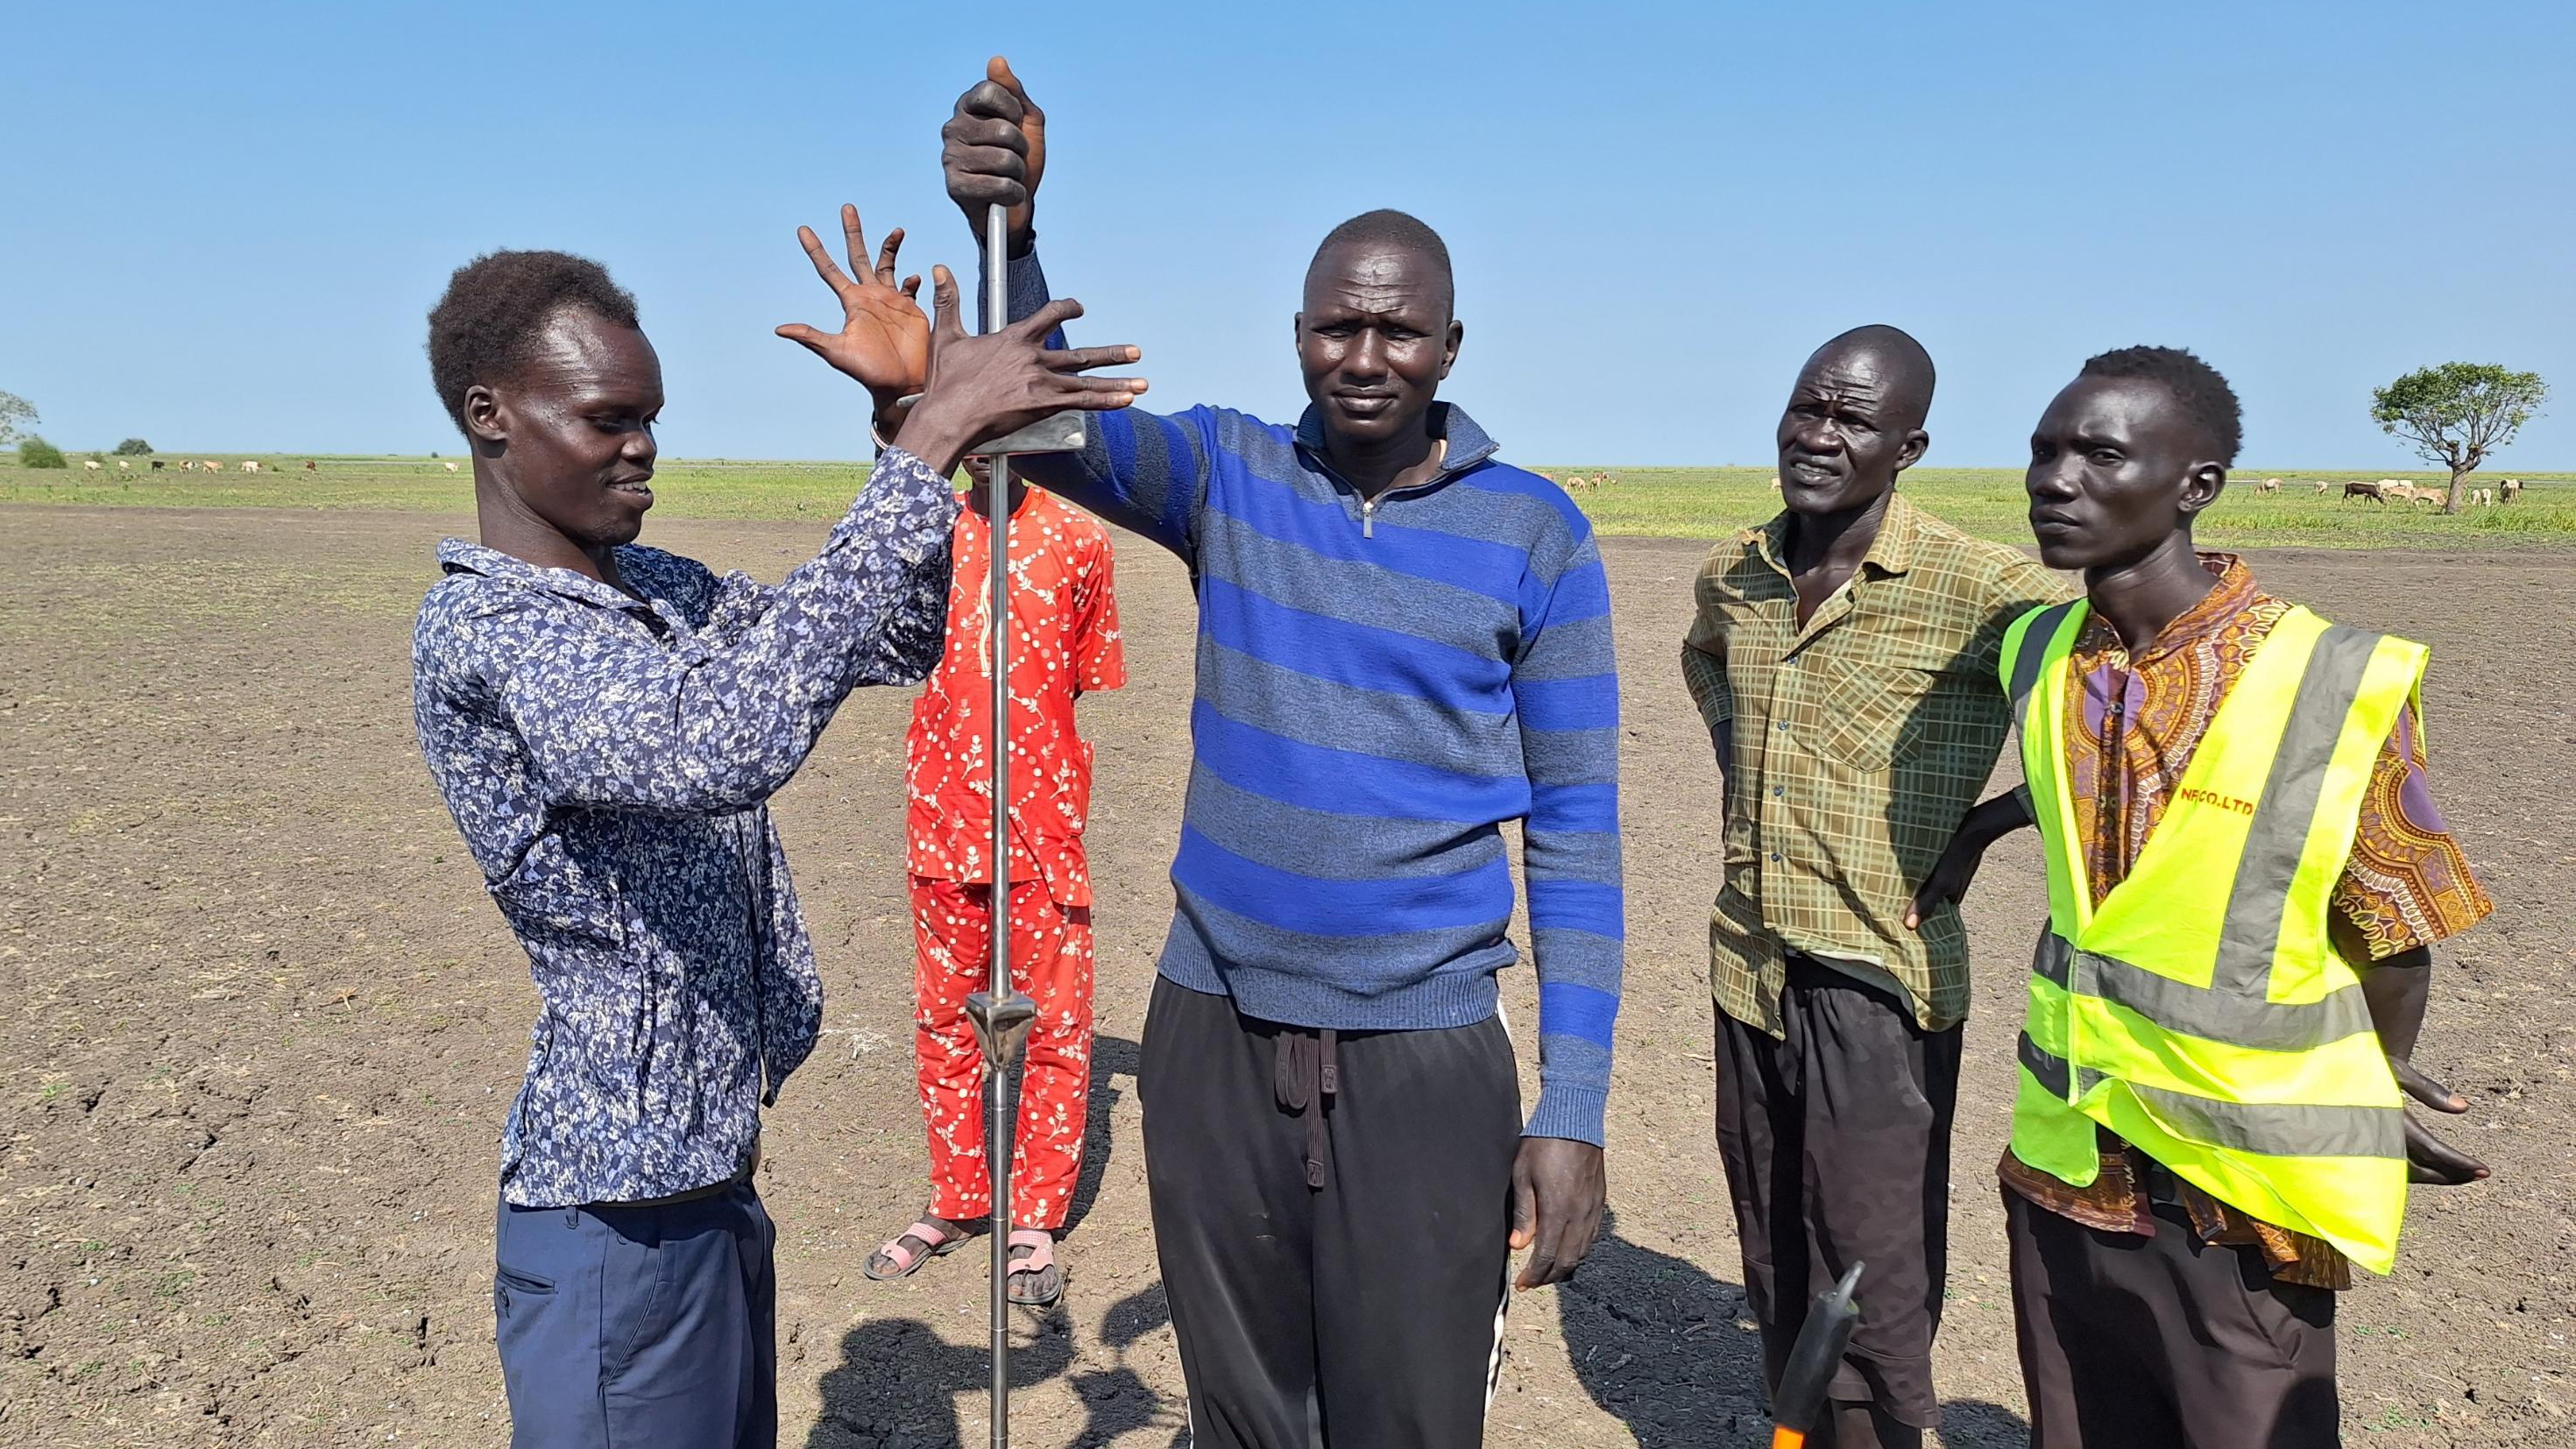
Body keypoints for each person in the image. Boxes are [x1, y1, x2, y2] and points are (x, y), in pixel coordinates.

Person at [938, 57, 1619, 1447]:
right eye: (1334, 330)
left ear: (1452, 344)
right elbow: (1049, 429)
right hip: (1215, 1026)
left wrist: (1577, 1104)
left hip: (1424, 1054)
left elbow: (1577, 830)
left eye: (1399, 332)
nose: (1364, 359)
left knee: (1409, 1418)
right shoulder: (1230, 475)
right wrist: (1006, 232)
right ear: (1296, 333)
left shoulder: (1537, 533)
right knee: (1245, 1413)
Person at [410, 211, 1145, 1449]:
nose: (643, 448)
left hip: (706, 1187)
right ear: (492, 415)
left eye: (649, 416)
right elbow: (717, 744)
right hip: (610, 1213)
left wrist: (900, 422)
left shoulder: (659, 593)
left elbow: (900, 633)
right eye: (606, 419)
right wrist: (928, 444)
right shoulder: (491, 633)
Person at [1917, 345, 2493, 1448]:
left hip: (2238, 1206)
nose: (2054, 478)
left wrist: (2365, 1086)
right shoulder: (2041, 652)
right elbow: (2086, 779)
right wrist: (1984, 829)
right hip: (2067, 1167)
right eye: (2043, 450)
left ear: (2198, 485)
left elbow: (2397, 934)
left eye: (2099, 452)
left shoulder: (2328, 678)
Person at [1679, 328, 2068, 1448]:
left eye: (1852, 420)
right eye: (1807, 407)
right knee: (1773, 1246)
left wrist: (1988, 823)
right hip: (1748, 967)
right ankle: (1798, 1429)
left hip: (1877, 980)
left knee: (1873, 1275)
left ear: (1910, 446)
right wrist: (1755, 786)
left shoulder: (1985, 587)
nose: (1818, 436)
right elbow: (1709, 665)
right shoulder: (1737, 571)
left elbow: (2120, 696)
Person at [864, 453, 1124, 1305]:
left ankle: (1035, 1218)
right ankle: (957, 1198)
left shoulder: (1081, 538)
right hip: (942, 826)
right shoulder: (926, 536)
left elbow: (1078, 680)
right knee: (945, 1020)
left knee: (1053, 1023)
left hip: (1043, 833)